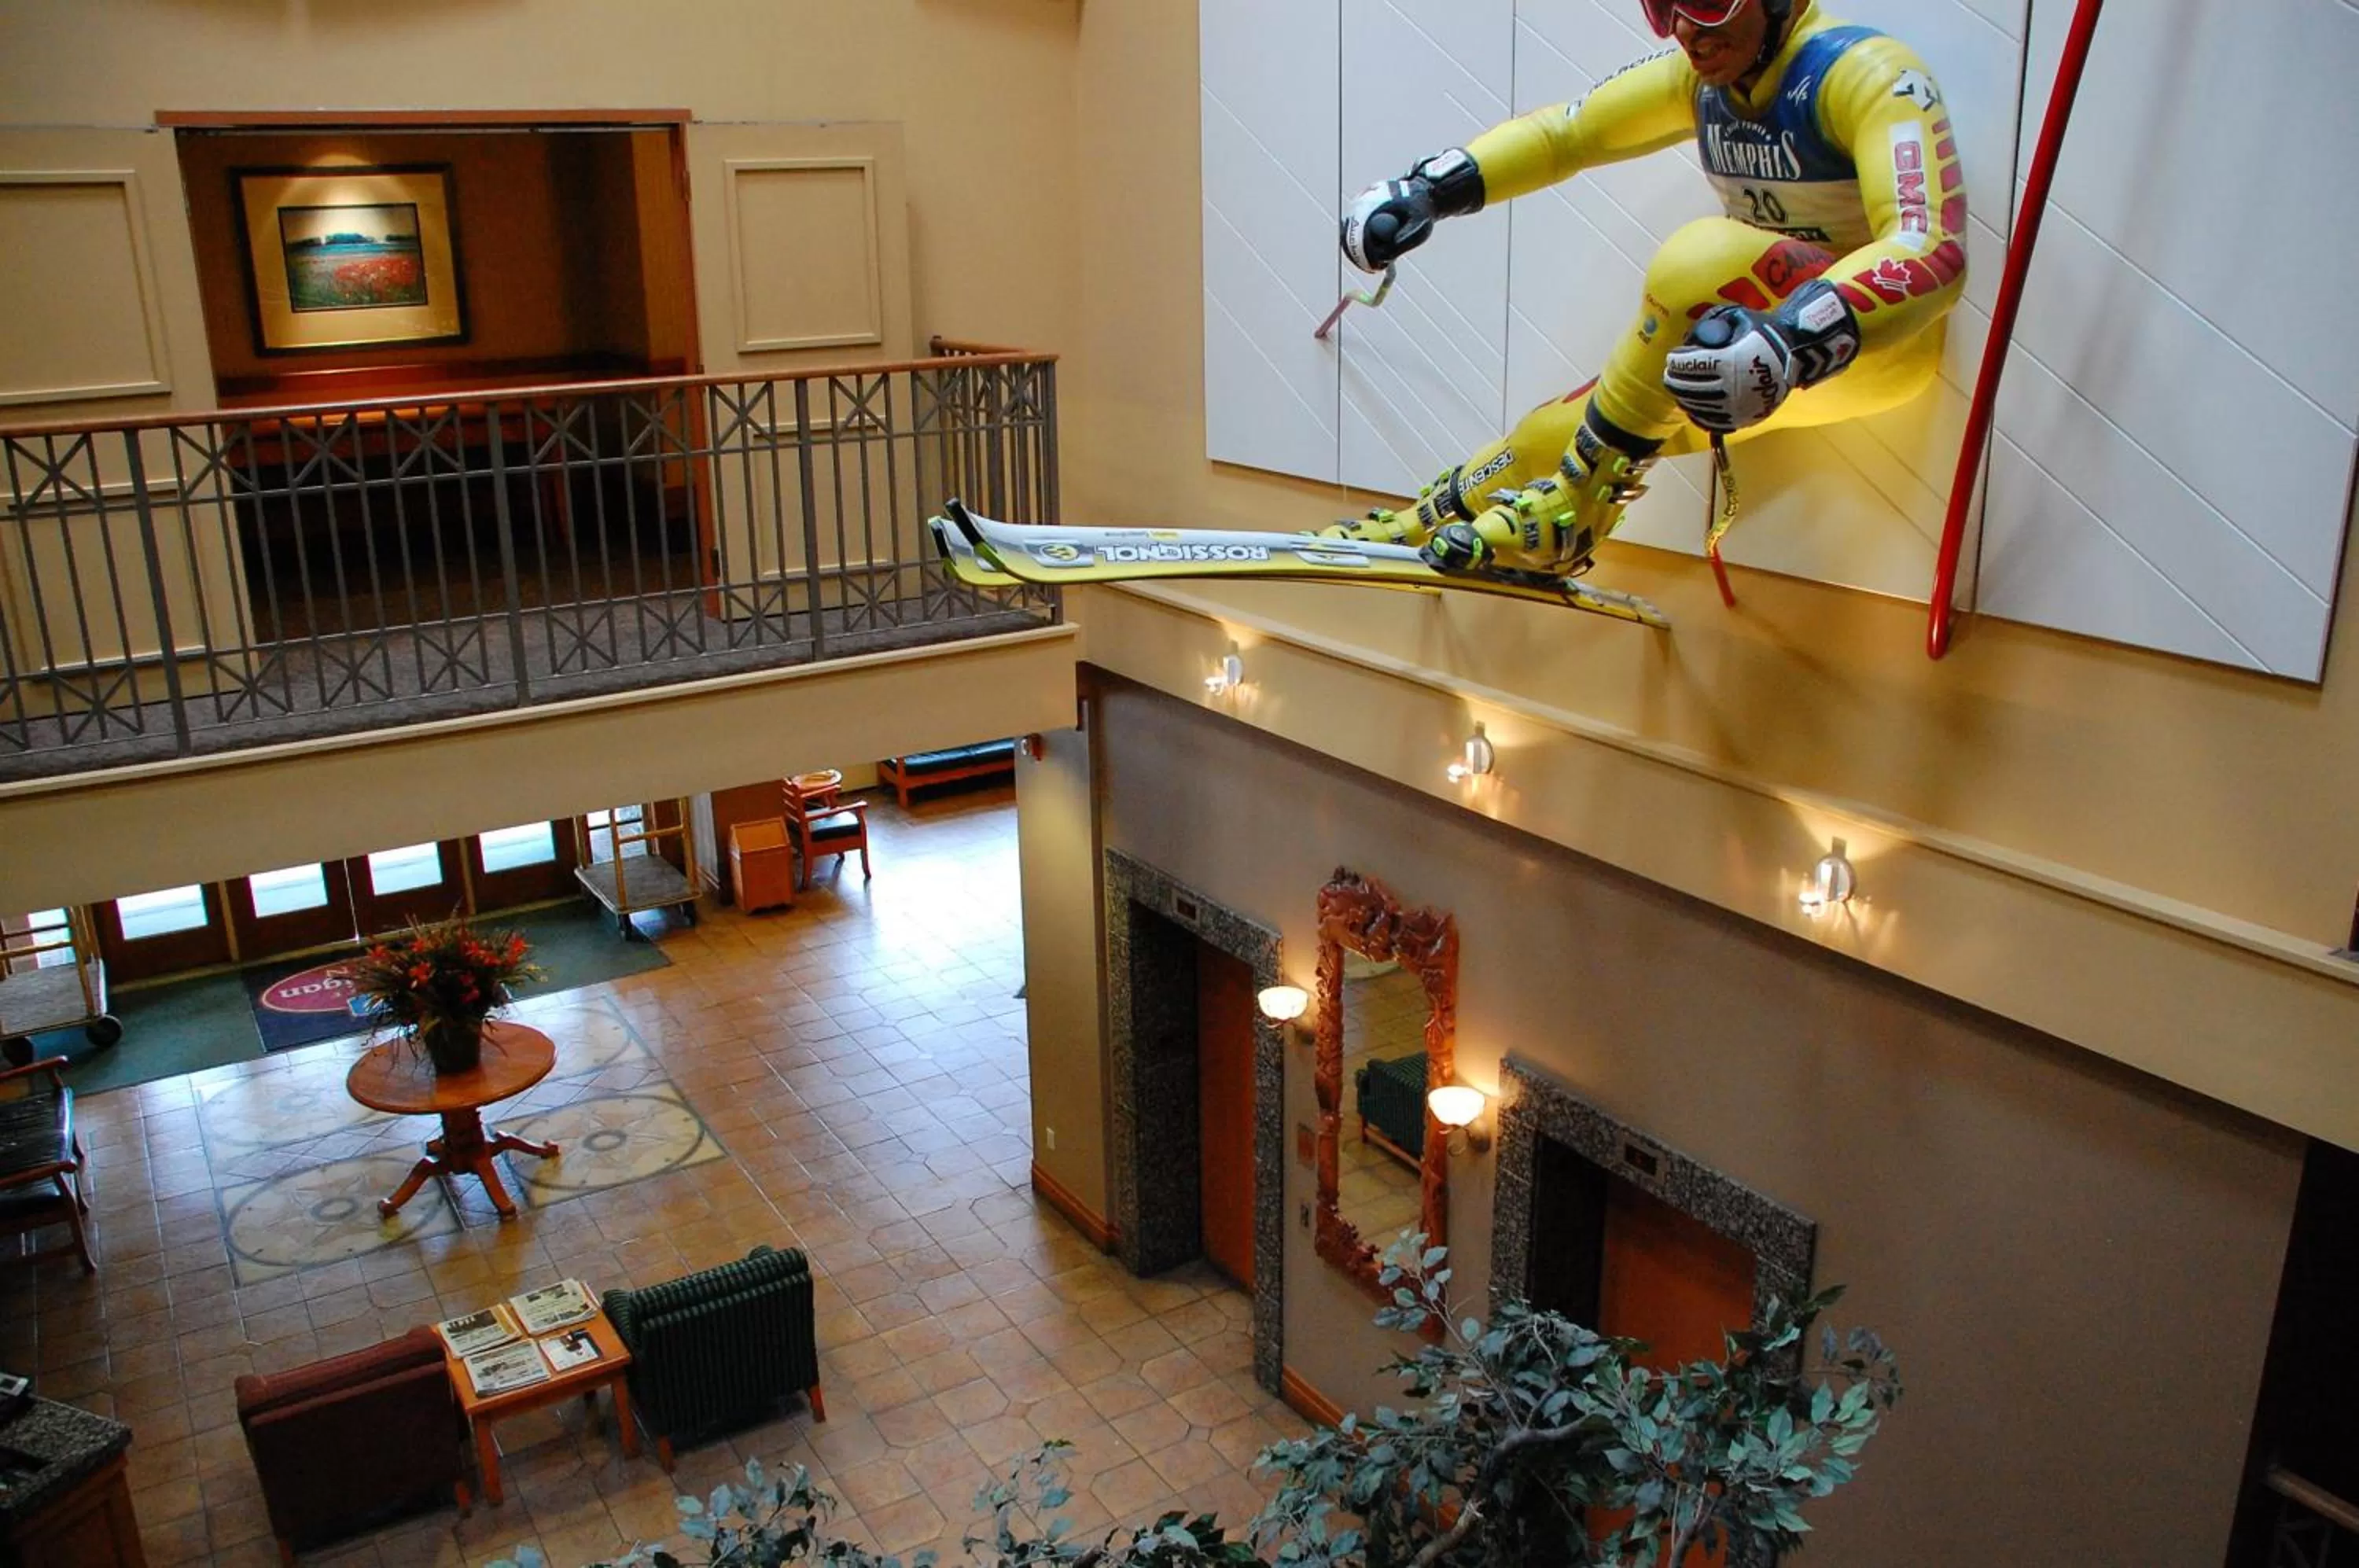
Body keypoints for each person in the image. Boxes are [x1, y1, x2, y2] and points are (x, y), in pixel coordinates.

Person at [1330, 0, 1967, 578]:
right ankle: (1416, 525)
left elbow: (1929, 244)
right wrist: (1428, 191)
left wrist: (1799, 334)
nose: (1686, 30)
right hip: (1747, 341)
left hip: (1870, 348)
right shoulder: (1700, 79)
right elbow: (1569, 135)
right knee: (1550, 436)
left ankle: (1572, 515)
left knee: (1702, 255)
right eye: (1663, 6)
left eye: (1710, 3)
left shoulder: (1864, 74)